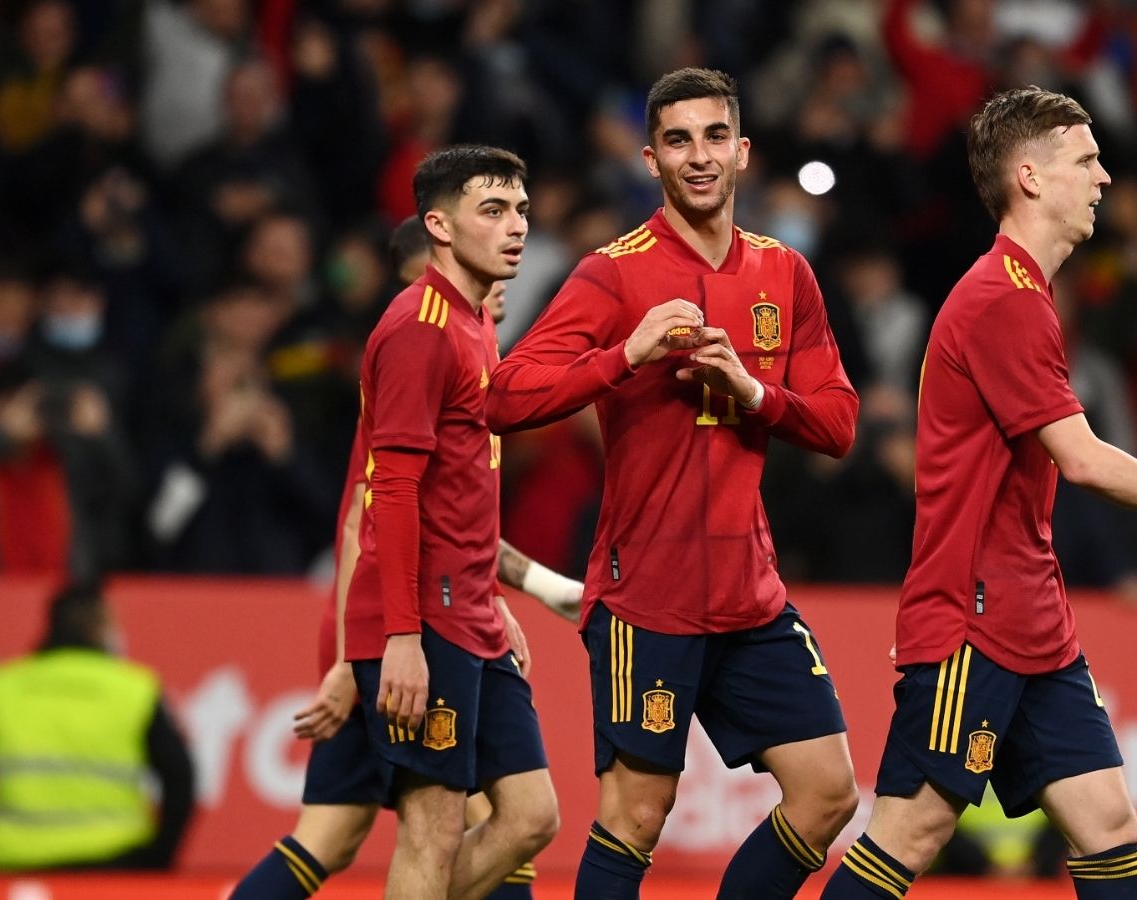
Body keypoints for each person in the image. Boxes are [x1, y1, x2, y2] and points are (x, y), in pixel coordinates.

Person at [818, 87, 1137, 900]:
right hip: (973, 618)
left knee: (1106, 822)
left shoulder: (1023, 294)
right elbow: (1084, 460)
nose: (1105, 178)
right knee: (914, 828)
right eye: (1087, 160)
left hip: (1033, 616)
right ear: (1030, 177)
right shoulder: (1003, 301)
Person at [486, 68, 861, 900]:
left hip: (749, 596)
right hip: (646, 596)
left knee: (829, 795)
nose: (700, 157)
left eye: (715, 137)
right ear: (650, 160)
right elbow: (503, 396)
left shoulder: (784, 273)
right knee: (636, 812)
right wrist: (623, 356)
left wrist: (756, 395)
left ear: (743, 152)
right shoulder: (612, 274)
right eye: (679, 141)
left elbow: (838, 423)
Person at [230, 216, 583, 900]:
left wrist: (509, 591)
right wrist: (344, 659)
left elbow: (456, 527)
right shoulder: (419, 351)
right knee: (485, 821)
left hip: (417, 617)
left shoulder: (471, 353)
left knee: (333, 836)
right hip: (401, 628)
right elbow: (367, 521)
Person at [326, 145, 556, 900]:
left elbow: (456, 498)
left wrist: (490, 594)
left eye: (520, 209)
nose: (515, 226)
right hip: (423, 618)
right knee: (432, 829)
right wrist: (400, 636)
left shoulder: (476, 324)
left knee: (530, 816)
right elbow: (389, 495)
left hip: (469, 610)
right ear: (441, 226)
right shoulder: (420, 326)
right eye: (493, 210)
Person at [0, 583, 195, 871]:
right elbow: (180, 778)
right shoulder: (134, 690)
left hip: (17, 864)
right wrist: (159, 857)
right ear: (102, 627)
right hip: (116, 864)